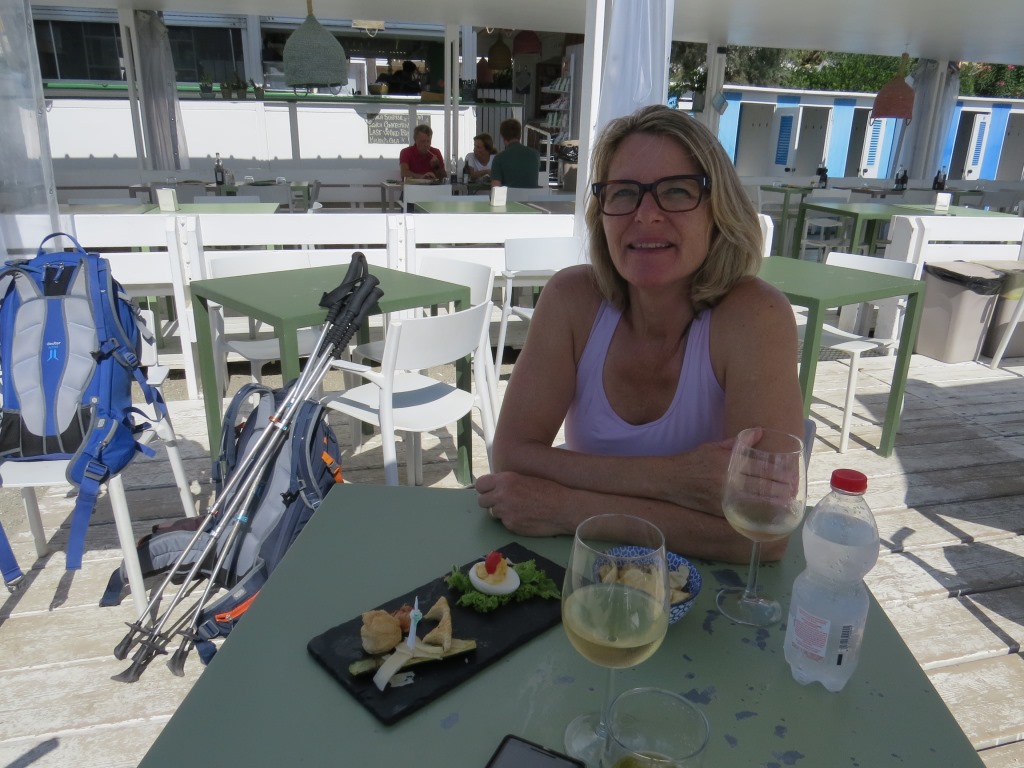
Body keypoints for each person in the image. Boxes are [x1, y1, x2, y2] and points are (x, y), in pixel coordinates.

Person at [475, 104, 804, 564]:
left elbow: (763, 532)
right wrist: (674, 480)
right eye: (624, 193)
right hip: (587, 576)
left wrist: (569, 508)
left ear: (718, 210)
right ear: (602, 213)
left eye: (676, 191)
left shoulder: (756, 316)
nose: (646, 216)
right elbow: (512, 455)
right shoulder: (571, 298)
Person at [490, 118, 541, 189]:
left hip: (509, 196)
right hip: (532, 196)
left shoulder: (499, 158)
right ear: (520, 134)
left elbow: (496, 188)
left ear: (503, 136)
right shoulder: (535, 155)